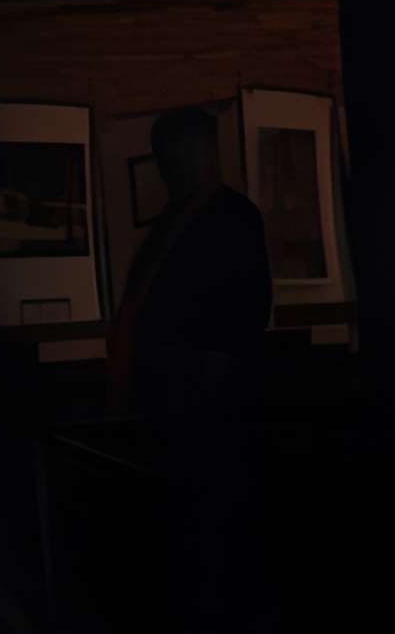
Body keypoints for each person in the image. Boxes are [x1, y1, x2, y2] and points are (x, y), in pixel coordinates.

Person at [107, 105, 274, 629]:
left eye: (179, 152)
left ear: (202, 151)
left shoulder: (232, 219)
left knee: (211, 540)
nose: (171, 165)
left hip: (204, 412)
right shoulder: (173, 224)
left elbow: (240, 318)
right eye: (165, 155)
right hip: (167, 407)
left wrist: (203, 389)